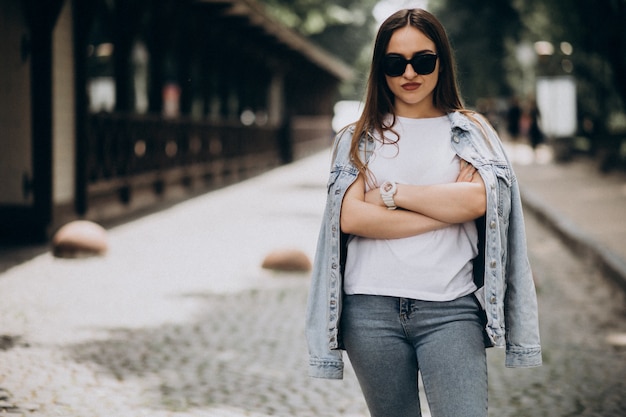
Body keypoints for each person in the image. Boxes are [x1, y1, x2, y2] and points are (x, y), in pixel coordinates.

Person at [305, 8, 542, 417]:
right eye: (395, 63)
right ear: (380, 68)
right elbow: (351, 219)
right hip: (370, 310)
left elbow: (478, 202)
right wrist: (445, 207)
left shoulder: (473, 132)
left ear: (441, 62)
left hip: (451, 309)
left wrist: (392, 194)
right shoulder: (356, 138)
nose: (409, 72)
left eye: (423, 60)